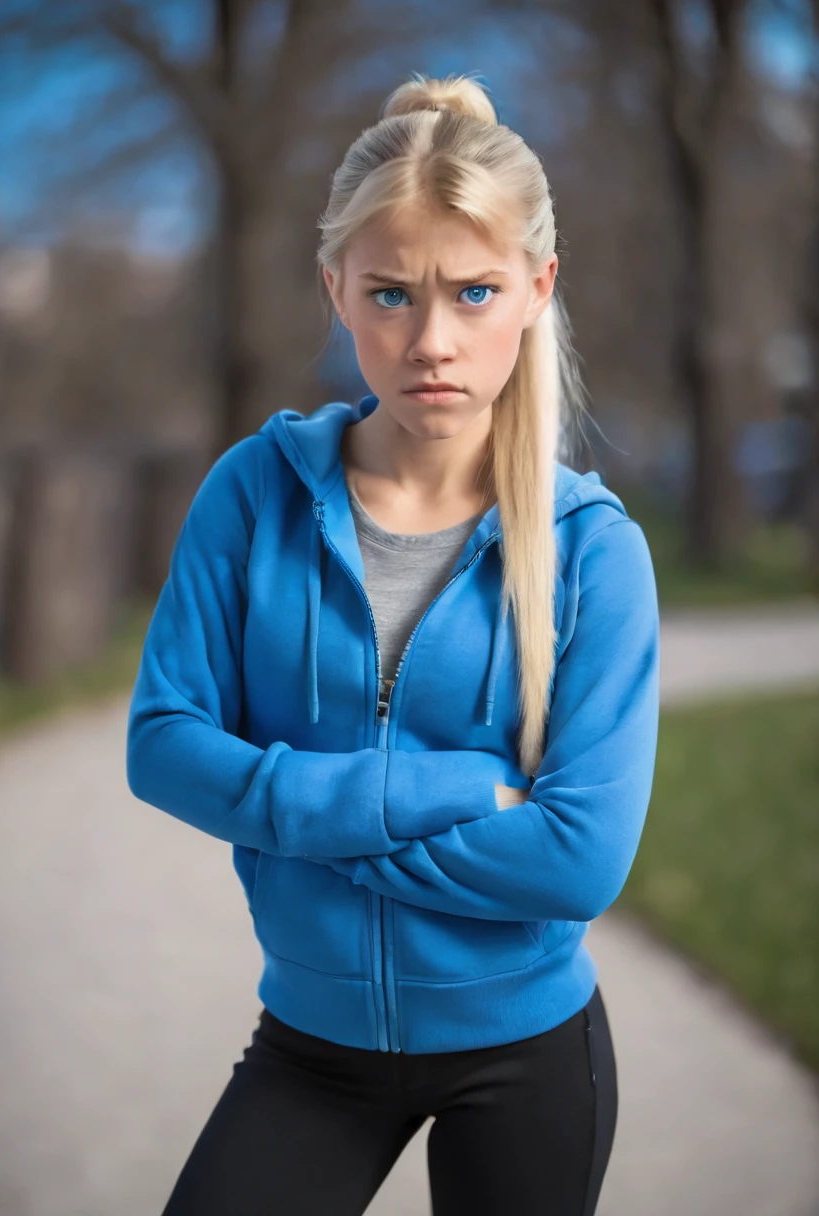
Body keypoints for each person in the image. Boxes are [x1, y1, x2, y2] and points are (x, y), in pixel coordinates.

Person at [126, 70, 660, 1216]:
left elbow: (581, 859)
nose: (430, 340)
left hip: (530, 1056)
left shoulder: (592, 552)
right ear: (335, 290)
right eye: (389, 295)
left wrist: (295, 824)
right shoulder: (253, 495)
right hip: (312, 1046)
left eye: (473, 292)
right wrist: (445, 788)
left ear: (536, 288)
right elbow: (163, 744)